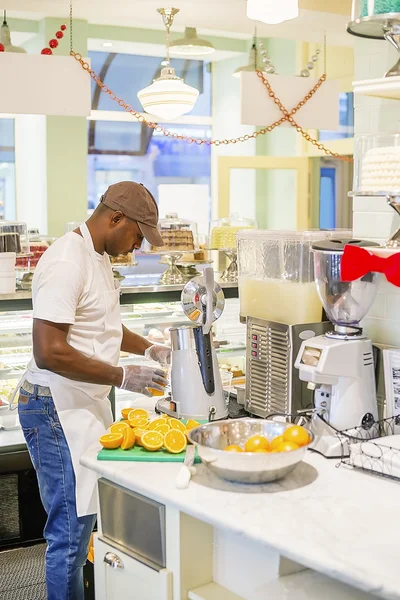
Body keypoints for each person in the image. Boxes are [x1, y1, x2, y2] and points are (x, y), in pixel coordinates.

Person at [18, 181, 170, 600]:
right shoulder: (67, 260)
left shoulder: (98, 256)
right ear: (115, 218)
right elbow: (49, 351)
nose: (137, 246)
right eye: (137, 235)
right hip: (53, 406)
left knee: (82, 521)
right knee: (69, 533)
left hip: (80, 402)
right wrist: (122, 377)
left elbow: (99, 323)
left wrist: (149, 348)